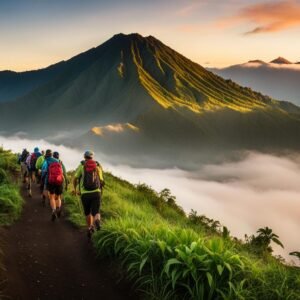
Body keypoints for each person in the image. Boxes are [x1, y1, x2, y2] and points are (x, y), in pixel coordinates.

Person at [73, 150, 104, 239]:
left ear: (84, 157)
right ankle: (97, 221)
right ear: (92, 157)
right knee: (96, 211)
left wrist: (75, 189)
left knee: (88, 212)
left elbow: (75, 178)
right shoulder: (97, 165)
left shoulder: (82, 165)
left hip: (85, 193)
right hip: (96, 192)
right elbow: (101, 180)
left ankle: (90, 227)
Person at [41, 149, 67, 221]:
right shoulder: (58, 161)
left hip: (50, 181)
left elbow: (44, 171)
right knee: (58, 197)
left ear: (46, 155)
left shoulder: (46, 161)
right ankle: (58, 208)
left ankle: (53, 210)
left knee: (51, 197)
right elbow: (62, 172)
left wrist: (42, 178)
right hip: (59, 181)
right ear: (52, 155)